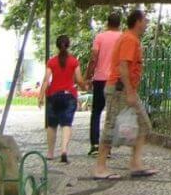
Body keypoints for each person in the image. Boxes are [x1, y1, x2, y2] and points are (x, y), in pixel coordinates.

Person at [92, 9, 156, 180]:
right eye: (145, 20)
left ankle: (135, 164)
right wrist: (129, 91)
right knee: (110, 126)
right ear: (138, 21)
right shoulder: (129, 39)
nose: (147, 24)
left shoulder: (132, 39)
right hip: (119, 89)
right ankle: (100, 167)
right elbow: (122, 66)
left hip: (126, 89)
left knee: (143, 124)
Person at [38, 35, 87, 163]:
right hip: (69, 95)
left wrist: (40, 96)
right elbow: (79, 79)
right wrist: (84, 86)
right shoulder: (74, 61)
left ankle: (49, 153)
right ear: (68, 45)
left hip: (53, 95)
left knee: (52, 125)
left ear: (57, 45)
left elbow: (46, 80)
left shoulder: (51, 62)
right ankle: (64, 150)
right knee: (66, 124)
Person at [87, 10, 123, 157]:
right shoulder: (122, 38)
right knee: (111, 114)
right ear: (119, 24)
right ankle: (107, 147)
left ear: (107, 23)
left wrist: (87, 75)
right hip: (115, 80)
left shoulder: (100, 37)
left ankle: (95, 145)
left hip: (100, 79)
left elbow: (94, 57)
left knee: (96, 112)